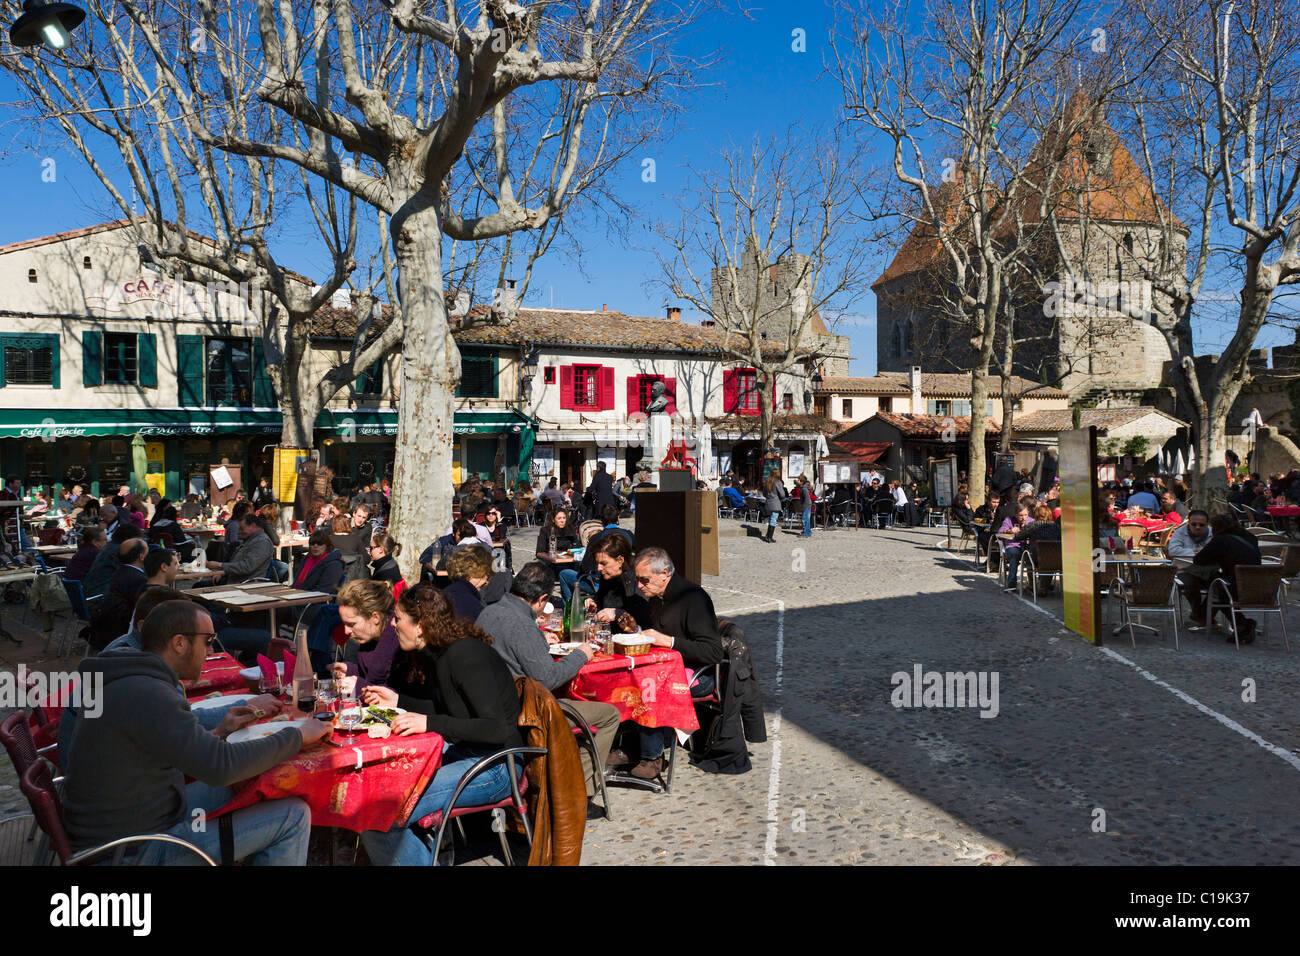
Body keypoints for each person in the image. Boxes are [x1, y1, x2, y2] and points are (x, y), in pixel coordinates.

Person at [62, 600, 328, 864]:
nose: (211, 650)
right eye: (208, 640)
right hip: (134, 849)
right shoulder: (147, 692)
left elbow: (166, 752)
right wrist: (298, 736)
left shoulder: (133, 680)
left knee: (246, 788)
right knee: (293, 816)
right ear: (179, 643)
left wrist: (219, 732)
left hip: (138, 818)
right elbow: (221, 766)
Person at [359, 585, 525, 867]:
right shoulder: (440, 653)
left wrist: (429, 722)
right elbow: (451, 712)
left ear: (420, 626)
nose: (393, 624)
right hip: (471, 756)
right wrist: (398, 700)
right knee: (381, 792)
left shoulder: (464, 655)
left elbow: (496, 728)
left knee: (379, 817)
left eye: (398, 618)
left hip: (497, 766)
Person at [480, 562, 623, 795]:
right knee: (609, 715)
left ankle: (565, 768)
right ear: (542, 599)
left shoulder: (489, 611)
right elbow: (548, 678)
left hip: (495, 703)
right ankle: (582, 791)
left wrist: (539, 642)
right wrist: (581, 655)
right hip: (524, 712)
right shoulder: (522, 625)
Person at [624, 547, 724, 779]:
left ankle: (652, 757)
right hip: (668, 668)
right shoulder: (657, 596)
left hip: (700, 674)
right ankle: (631, 746)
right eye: (637, 579)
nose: (639, 585)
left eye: (644, 579)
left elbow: (713, 652)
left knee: (650, 688)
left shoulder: (693, 598)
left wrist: (669, 642)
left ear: (665, 573)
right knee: (627, 677)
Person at [1178, 514, 1262, 640]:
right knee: (1217, 584)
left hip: (1233, 587)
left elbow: (1199, 560)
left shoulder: (1221, 540)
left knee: (1218, 586)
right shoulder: (1251, 537)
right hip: (1259, 585)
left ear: (1216, 528)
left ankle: (1202, 615)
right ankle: (1237, 623)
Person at [332, 579, 400, 694]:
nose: (346, 631)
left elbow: (399, 696)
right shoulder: (370, 639)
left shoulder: (399, 642)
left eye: (351, 624)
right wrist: (350, 670)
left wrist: (359, 688)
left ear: (375, 617)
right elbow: (369, 675)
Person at [89, 539, 150, 650]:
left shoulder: (120, 572)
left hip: (108, 628)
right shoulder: (138, 579)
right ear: (142, 556)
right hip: (123, 632)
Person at [582, 532, 651, 630]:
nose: (599, 568)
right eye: (597, 564)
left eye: (603, 563)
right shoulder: (608, 577)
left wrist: (619, 614)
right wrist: (594, 605)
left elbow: (642, 624)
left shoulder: (637, 581)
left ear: (620, 561)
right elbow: (602, 603)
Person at [207, 512, 274, 584]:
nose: (239, 532)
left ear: (253, 526)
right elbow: (237, 562)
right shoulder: (250, 539)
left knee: (199, 587)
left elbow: (247, 567)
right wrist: (223, 572)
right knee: (199, 585)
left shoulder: (262, 542)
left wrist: (220, 566)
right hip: (234, 580)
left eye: (242, 529)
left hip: (245, 585)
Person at [443, 545, 493, 622]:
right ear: (476, 572)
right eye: (487, 575)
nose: (487, 582)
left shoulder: (445, 592)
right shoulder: (473, 607)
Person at [536, 509, 581, 595]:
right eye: (559, 518)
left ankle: (572, 596)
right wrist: (550, 558)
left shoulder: (570, 529)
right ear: (553, 519)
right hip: (551, 563)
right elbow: (539, 552)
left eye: (564, 518)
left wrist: (573, 551)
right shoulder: (545, 531)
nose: (562, 521)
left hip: (568, 562)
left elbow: (578, 547)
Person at [294, 529, 345, 593]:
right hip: (298, 594)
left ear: (327, 545)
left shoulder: (334, 564)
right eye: (312, 544)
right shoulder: (306, 559)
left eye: (320, 543)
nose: (315, 546)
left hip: (317, 600)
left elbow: (325, 590)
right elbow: (295, 584)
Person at [761, 475, 785, 543]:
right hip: (775, 502)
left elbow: (764, 493)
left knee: (771, 519)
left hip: (769, 502)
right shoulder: (777, 482)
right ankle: (769, 537)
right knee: (773, 519)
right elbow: (782, 494)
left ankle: (767, 536)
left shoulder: (767, 482)